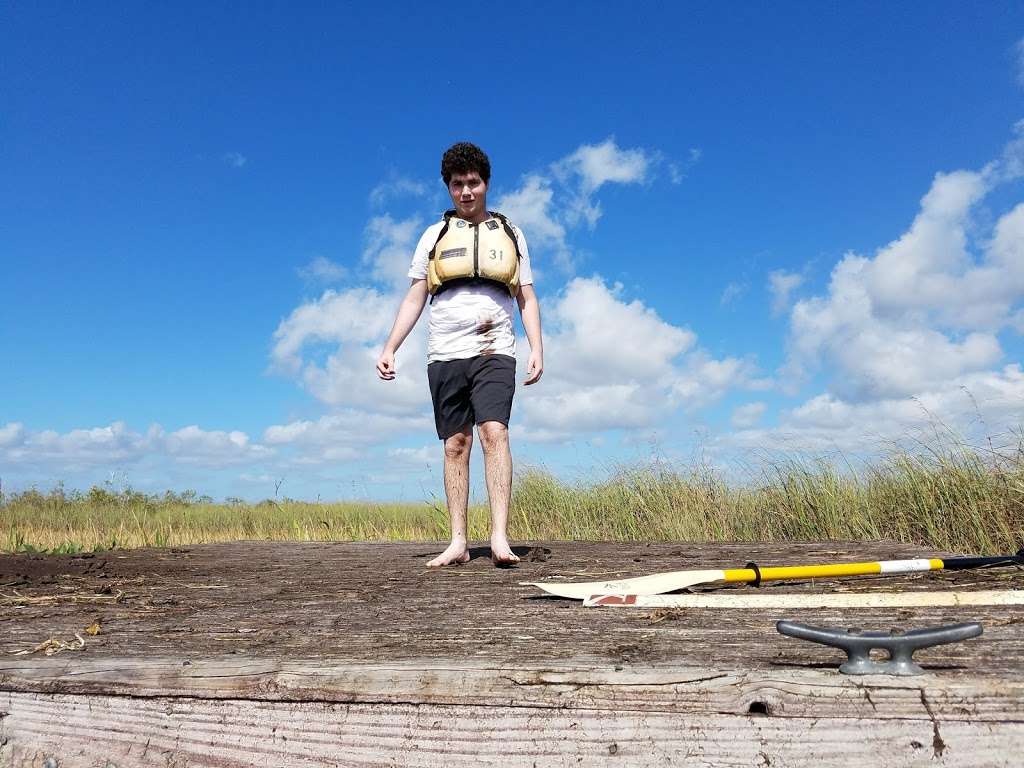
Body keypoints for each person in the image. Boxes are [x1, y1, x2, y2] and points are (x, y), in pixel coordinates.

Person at [376, 142, 543, 567]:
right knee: (455, 443)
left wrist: (536, 348)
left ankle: (500, 537)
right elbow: (416, 295)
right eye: (457, 185)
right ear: (448, 189)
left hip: (495, 349)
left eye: (473, 182)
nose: (466, 191)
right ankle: (457, 542)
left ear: (485, 183)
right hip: (445, 352)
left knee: (494, 433)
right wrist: (390, 346)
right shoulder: (433, 236)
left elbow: (526, 295)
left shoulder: (510, 232)